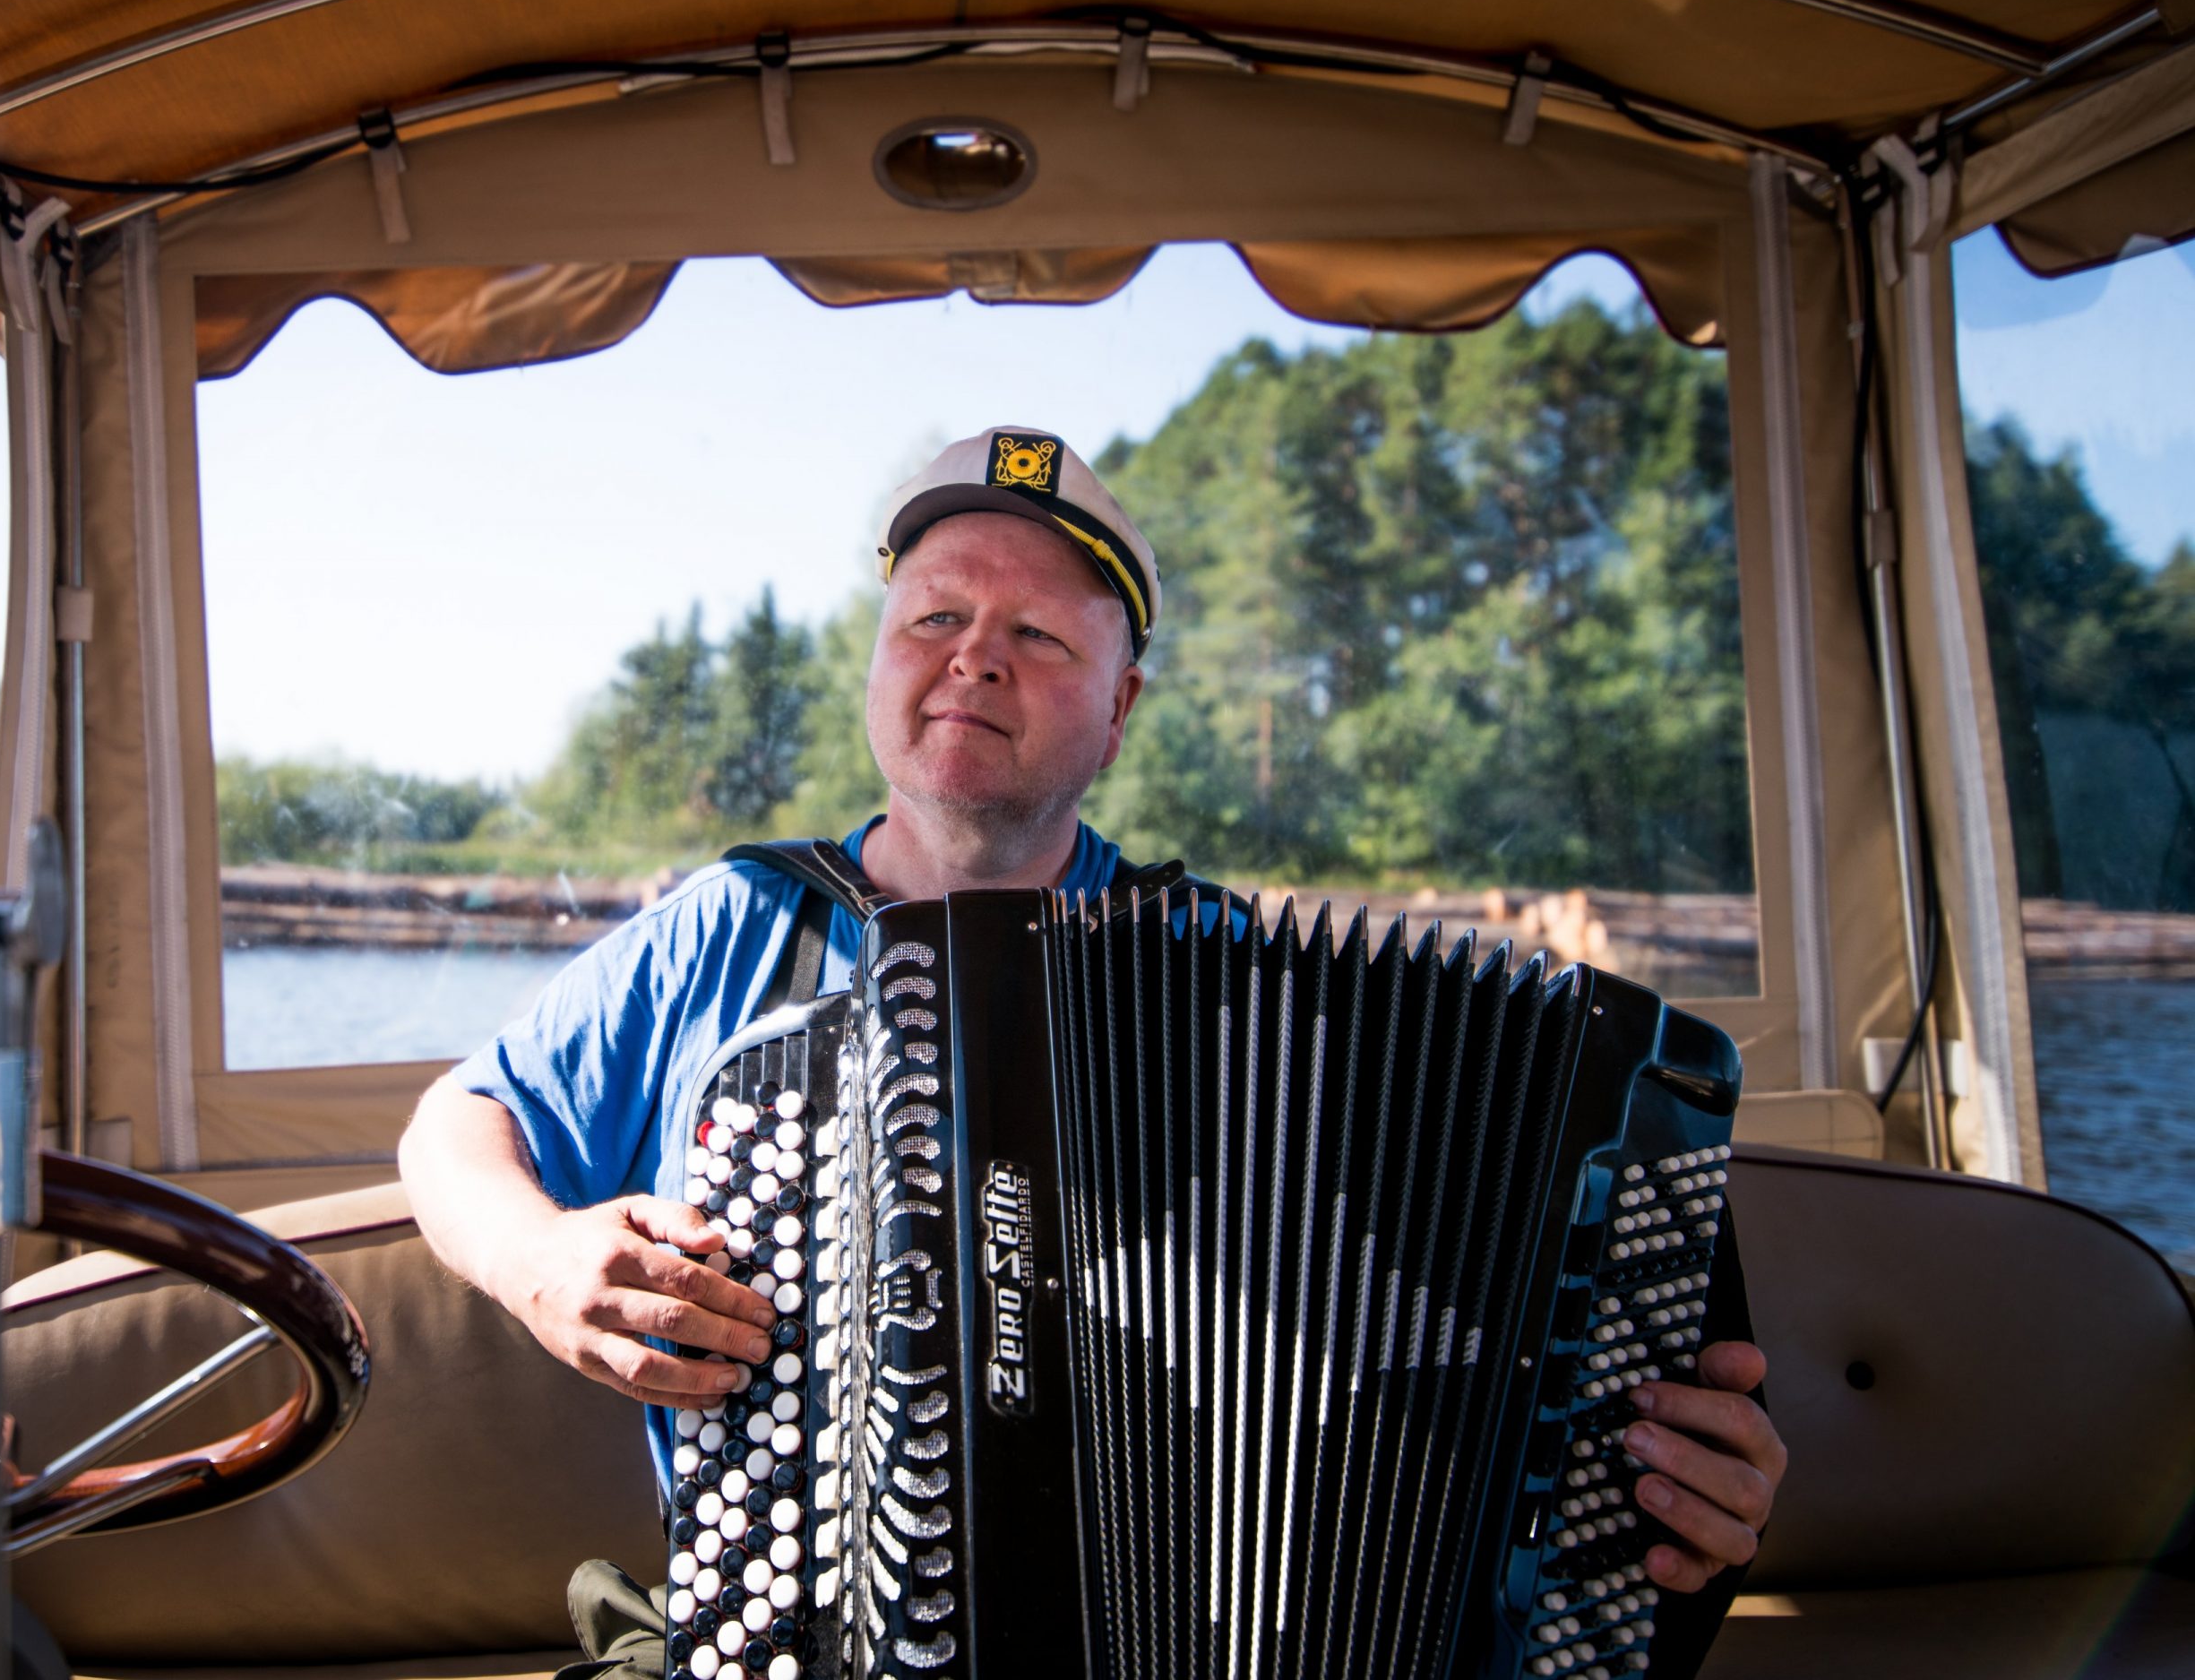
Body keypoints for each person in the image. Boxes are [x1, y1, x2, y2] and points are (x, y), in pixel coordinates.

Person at [397, 427, 1786, 1674]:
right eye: (934, 614)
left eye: (1042, 637)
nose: (975, 653)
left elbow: (1467, 1348)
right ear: (881, 662)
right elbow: (457, 1127)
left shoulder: (1252, 990)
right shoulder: (732, 927)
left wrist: (1655, 1479)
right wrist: (541, 1263)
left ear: (1119, 712)